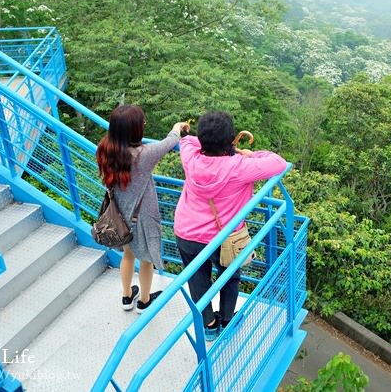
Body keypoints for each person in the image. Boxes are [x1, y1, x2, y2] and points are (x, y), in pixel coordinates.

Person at [174, 110, 287, 341]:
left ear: (203, 140)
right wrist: (248, 153)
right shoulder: (239, 166)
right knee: (230, 276)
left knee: (197, 278)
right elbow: (279, 163)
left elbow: (186, 140)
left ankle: (209, 325)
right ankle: (227, 320)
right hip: (224, 237)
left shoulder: (190, 158)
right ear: (230, 139)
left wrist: (195, 136)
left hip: (187, 232)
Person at [96, 105, 190, 313]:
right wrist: (177, 127)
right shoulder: (142, 155)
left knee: (128, 255)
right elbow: (169, 142)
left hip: (120, 215)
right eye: (142, 124)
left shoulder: (105, 148)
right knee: (146, 259)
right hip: (143, 216)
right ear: (135, 129)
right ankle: (144, 301)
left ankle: (127, 296)